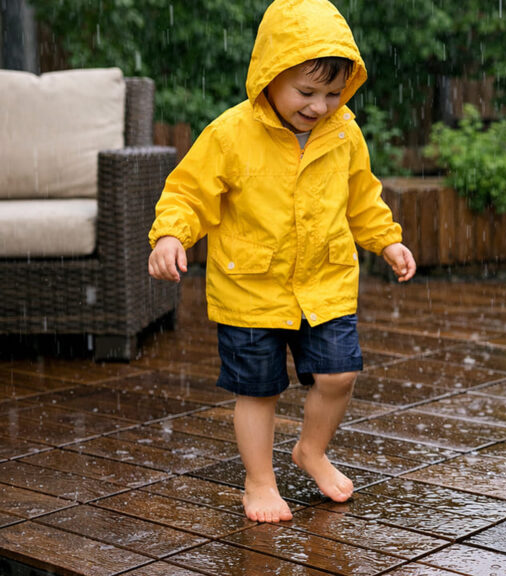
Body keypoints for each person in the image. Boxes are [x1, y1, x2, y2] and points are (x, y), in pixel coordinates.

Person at [147, 0, 416, 524]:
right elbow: (187, 193)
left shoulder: (343, 132)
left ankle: (310, 450)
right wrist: (170, 235)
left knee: (339, 374)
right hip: (250, 287)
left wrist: (386, 240)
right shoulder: (230, 133)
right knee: (258, 390)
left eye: (334, 93)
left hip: (325, 282)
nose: (320, 106)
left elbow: (362, 196)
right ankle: (260, 480)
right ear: (269, 77)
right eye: (307, 92)